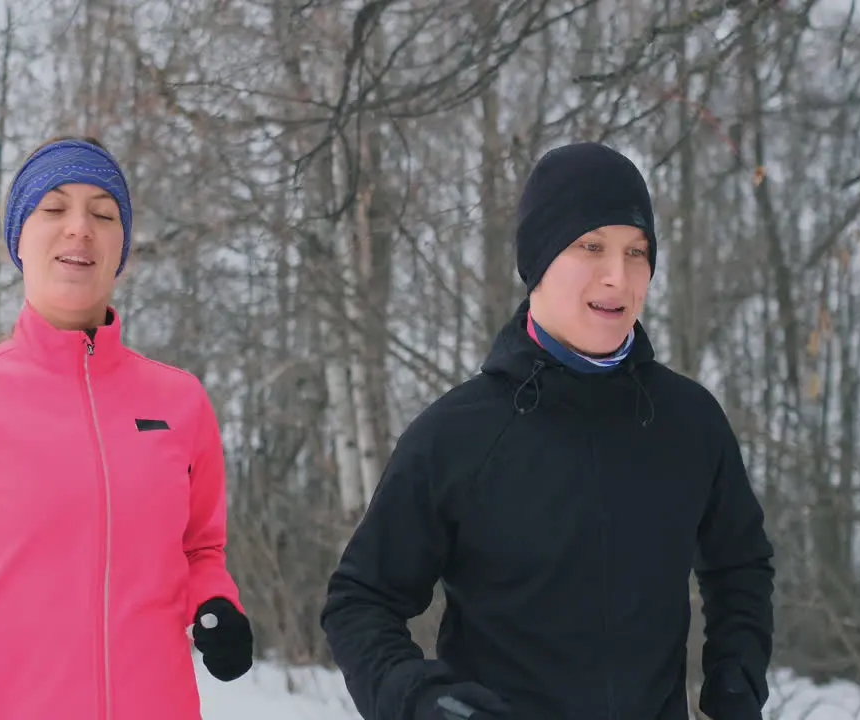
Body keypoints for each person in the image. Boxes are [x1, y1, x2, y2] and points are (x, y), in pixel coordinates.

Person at [320, 141, 775, 720]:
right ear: (538, 258)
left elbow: (741, 565)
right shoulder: (458, 435)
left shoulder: (689, 422)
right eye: (591, 246)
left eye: (637, 252)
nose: (619, 275)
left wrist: (735, 686)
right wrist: (422, 700)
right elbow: (360, 600)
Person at [0, 136, 254, 720]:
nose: (80, 228)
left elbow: (199, 549)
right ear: (18, 237)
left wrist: (216, 603)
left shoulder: (180, 400)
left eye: (103, 214)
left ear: (123, 248)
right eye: (54, 208)